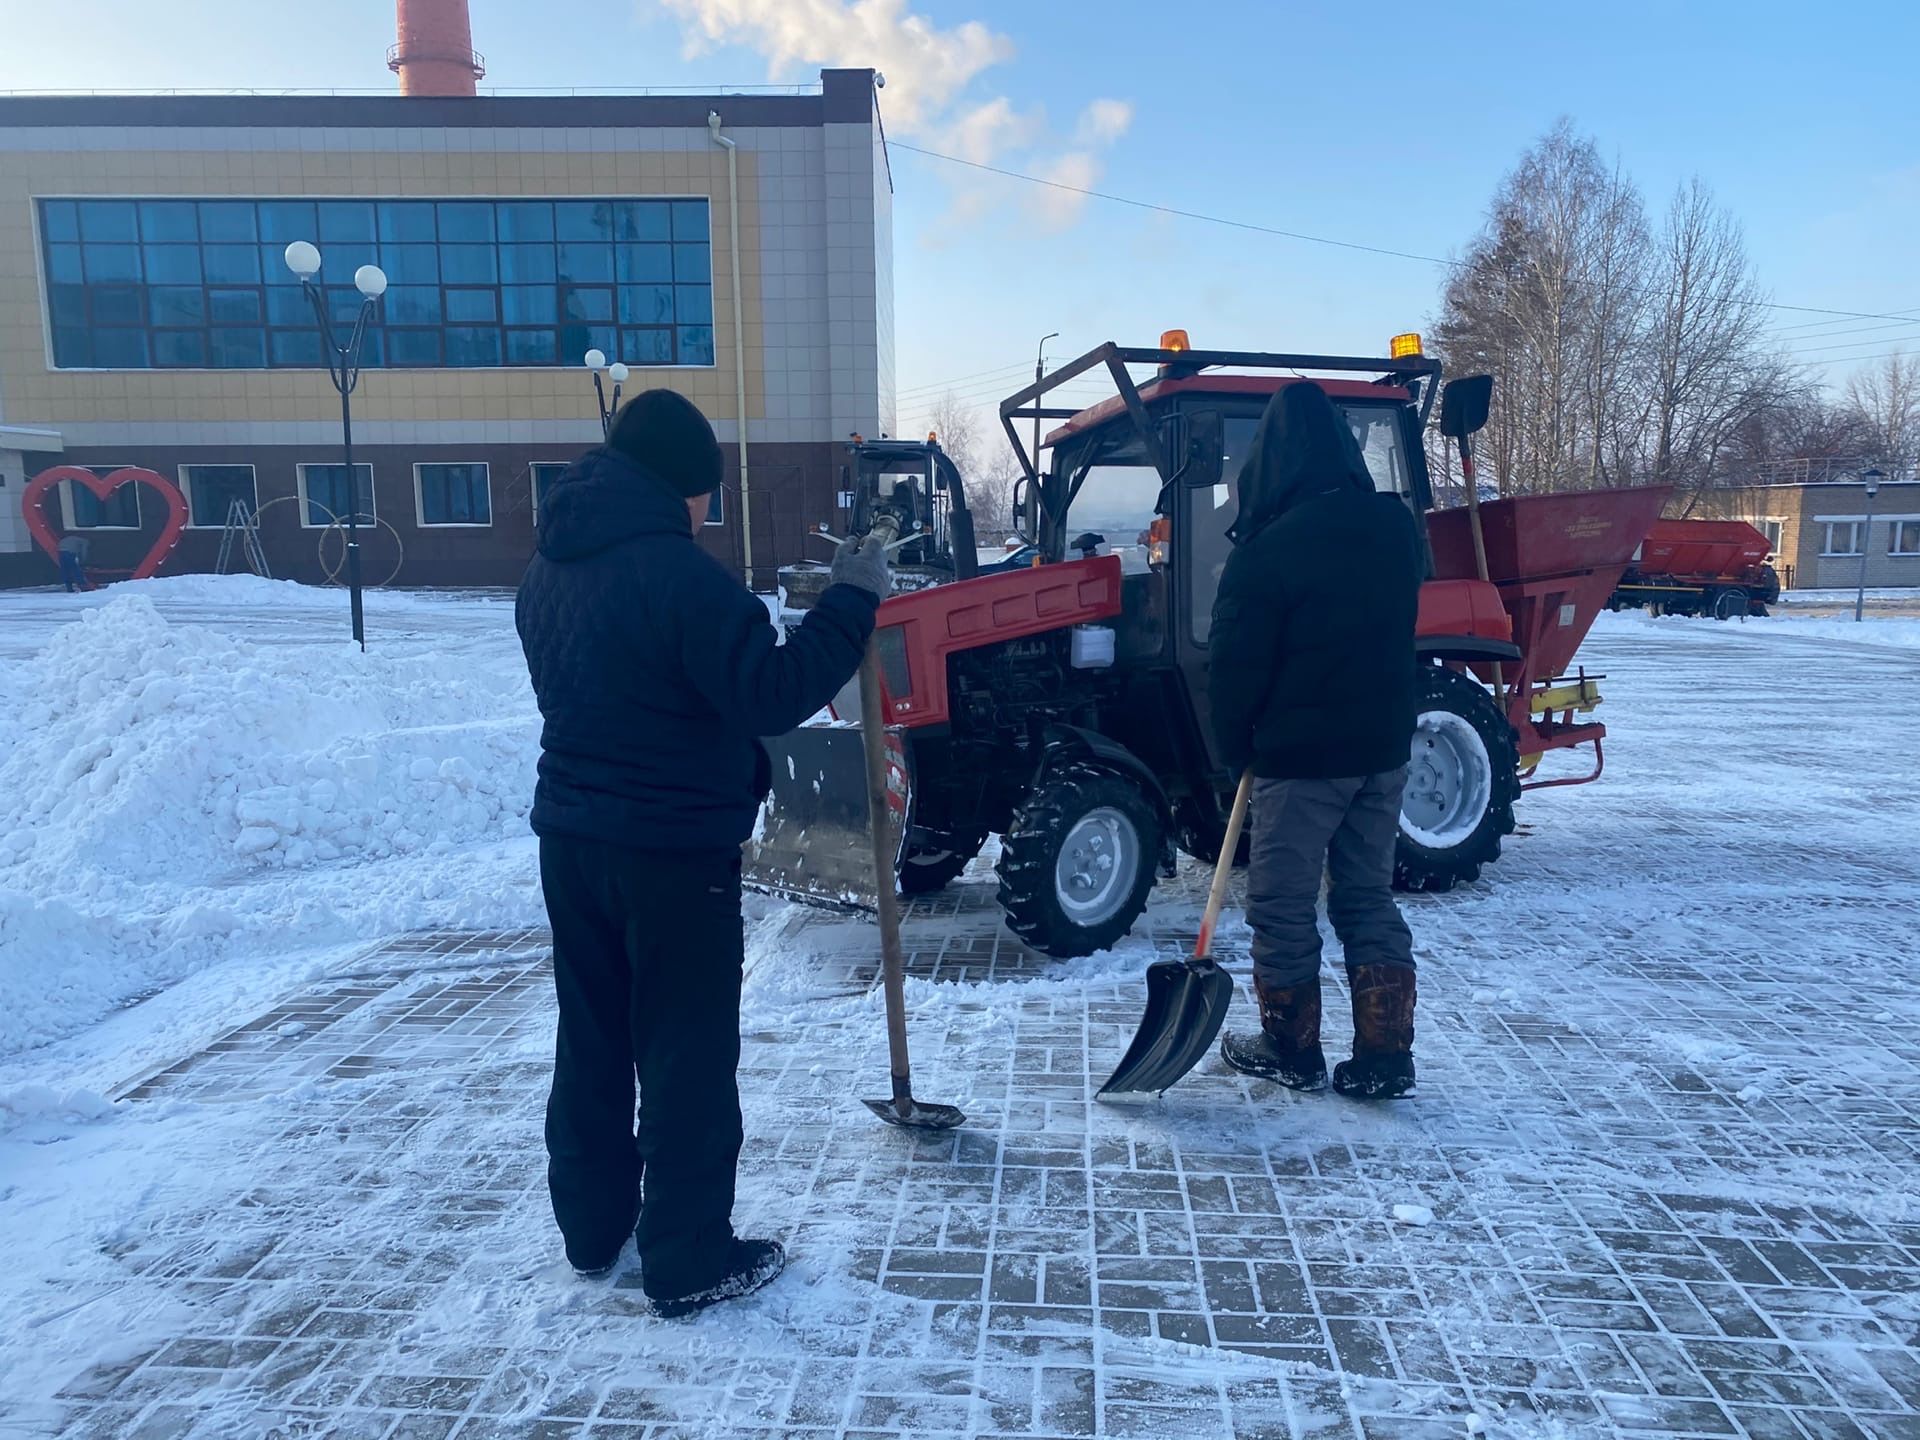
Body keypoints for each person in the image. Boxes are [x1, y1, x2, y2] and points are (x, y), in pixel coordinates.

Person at [515, 389, 890, 1315]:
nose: (704, 514)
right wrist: (852, 600)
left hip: (571, 840)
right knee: (683, 1050)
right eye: (705, 496)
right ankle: (686, 1258)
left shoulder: (548, 569)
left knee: (594, 1035)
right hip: (671, 854)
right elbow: (770, 695)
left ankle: (594, 1229)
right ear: (681, 486)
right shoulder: (681, 579)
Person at [1207, 382, 1423, 1099]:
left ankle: (1290, 1048)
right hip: (1384, 751)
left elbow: (1235, 669)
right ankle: (1385, 1056)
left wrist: (1236, 749)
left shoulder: (1267, 551)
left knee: (1282, 904)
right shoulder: (1397, 531)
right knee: (1366, 895)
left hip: (1302, 763)